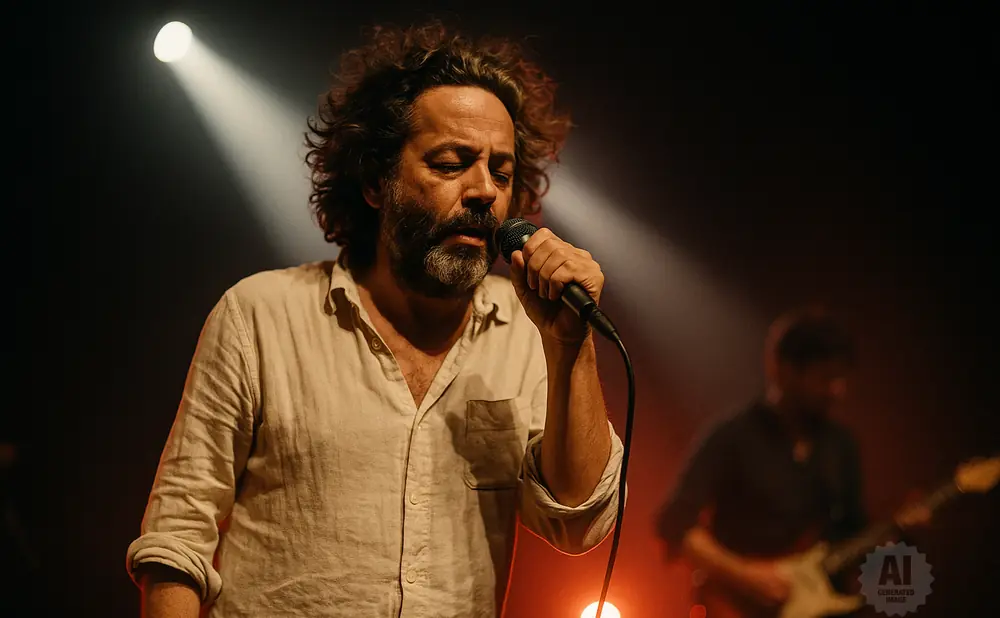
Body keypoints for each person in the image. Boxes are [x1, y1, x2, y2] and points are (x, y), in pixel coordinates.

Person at [125, 21, 624, 618]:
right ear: (374, 180)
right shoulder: (260, 314)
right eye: (450, 163)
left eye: (500, 170)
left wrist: (570, 345)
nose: (484, 191)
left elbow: (581, 518)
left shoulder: (528, 334)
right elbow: (177, 536)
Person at [655, 306, 929, 614]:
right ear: (782, 369)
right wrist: (746, 576)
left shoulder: (841, 445)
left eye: (841, 377)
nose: (837, 390)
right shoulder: (731, 436)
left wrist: (899, 529)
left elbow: (852, 533)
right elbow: (675, 523)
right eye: (825, 378)